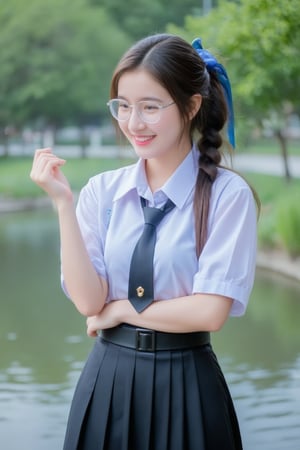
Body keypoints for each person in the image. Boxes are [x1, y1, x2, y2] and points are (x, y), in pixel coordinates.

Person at [30, 33, 259, 450]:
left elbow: (209, 311)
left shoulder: (228, 195)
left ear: (191, 106)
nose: (133, 123)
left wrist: (118, 309)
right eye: (123, 106)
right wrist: (64, 204)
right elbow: (87, 302)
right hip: (107, 382)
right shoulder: (101, 192)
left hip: (188, 382)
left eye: (150, 107)